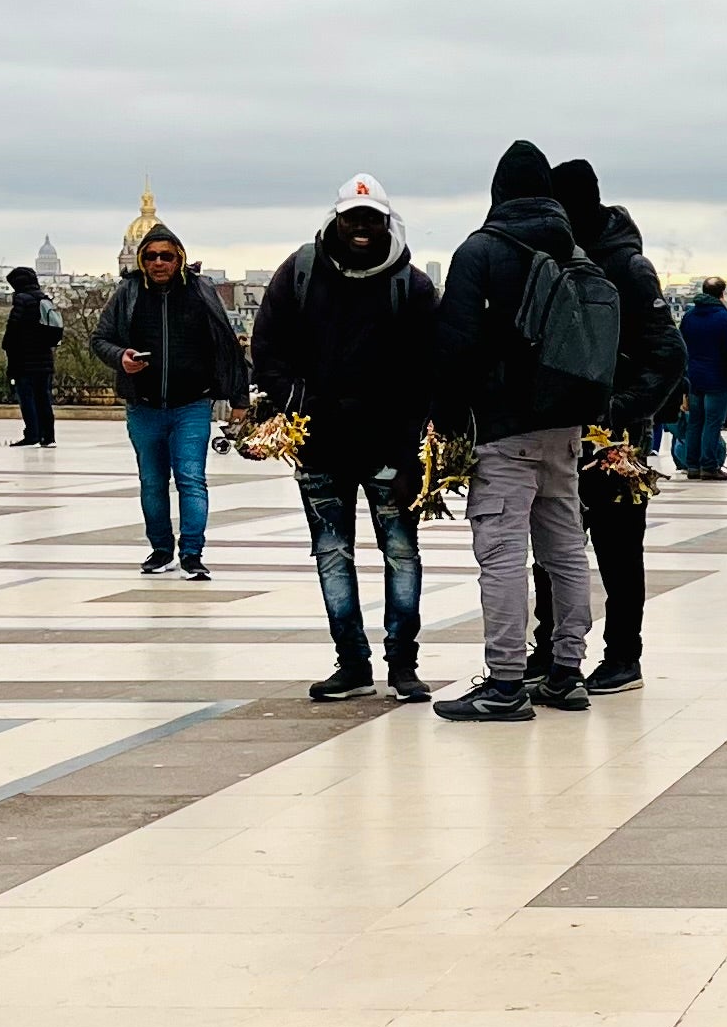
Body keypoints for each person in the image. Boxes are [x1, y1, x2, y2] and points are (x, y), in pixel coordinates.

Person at [429, 142, 611, 722]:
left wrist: (447, 422)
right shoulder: (575, 252)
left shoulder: (481, 251)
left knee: (503, 553)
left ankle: (505, 682)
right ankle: (567, 672)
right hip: (565, 426)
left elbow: (454, 345)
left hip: (504, 429)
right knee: (566, 551)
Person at [249, 174, 440, 704]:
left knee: (401, 553)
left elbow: (429, 374)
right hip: (320, 445)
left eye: (371, 218)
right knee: (332, 555)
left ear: (386, 223)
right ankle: (353, 664)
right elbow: (267, 348)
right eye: (352, 217)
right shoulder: (300, 272)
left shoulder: (412, 286)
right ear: (336, 220)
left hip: (388, 448)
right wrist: (302, 404)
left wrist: (412, 456)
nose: (361, 227)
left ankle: (402, 664)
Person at [531, 160, 687, 692]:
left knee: (618, 551)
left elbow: (667, 353)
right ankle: (551, 648)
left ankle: (623, 655)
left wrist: (618, 409)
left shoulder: (627, 267)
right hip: (561, 430)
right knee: (553, 548)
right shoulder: (555, 258)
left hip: (616, 440)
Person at [89, 223, 249, 575]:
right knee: (152, 482)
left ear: (179, 259)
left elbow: (227, 344)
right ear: (141, 260)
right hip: (143, 405)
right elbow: (100, 339)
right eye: (151, 256)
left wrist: (239, 399)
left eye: (166, 256)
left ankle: (192, 553)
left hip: (192, 404)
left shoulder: (201, 291)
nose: (158, 263)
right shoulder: (128, 292)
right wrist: (121, 357)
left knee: (191, 479)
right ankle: (161, 550)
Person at [676, 280, 727, 481]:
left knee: (695, 422)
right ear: (722, 294)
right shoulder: (725, 319)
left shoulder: (689, 317)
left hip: (694, 377)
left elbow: (680, 344)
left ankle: (692, 465)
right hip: (718, 378)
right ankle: (709, 466)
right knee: (712, 422)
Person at [2, 266, 64, 447]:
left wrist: (7, 346)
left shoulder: (22, 300)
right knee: (44, 398)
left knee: (27, 398)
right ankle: (48, 436)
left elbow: (13, 329)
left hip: (24, 358)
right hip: (44, 357)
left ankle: (32, 434)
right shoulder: (44, 299)